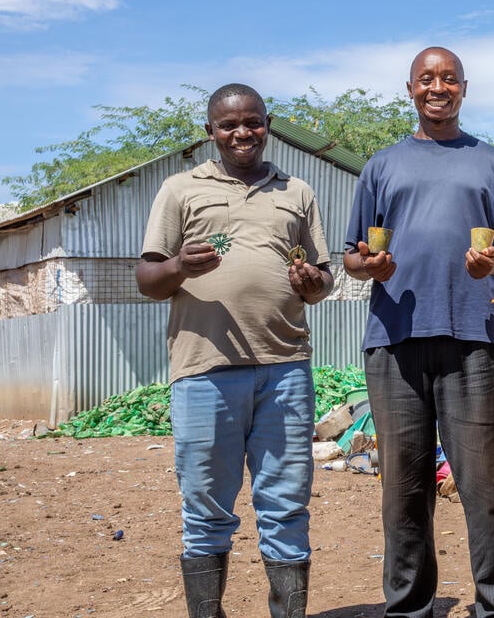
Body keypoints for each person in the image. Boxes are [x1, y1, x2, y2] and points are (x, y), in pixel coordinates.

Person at [136, 83, 334, 618]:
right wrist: (180, 266)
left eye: (252, 122)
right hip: (204, 372)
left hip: (285, 369)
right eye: (229, 125)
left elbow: (323, 280)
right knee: (204, 507)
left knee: (287, 505)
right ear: (211, 132)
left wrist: (312, 281)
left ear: (267, 125)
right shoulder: (180, 190)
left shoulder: (296, 191)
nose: (242, 133)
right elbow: (148, 279)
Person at [344, 47, 494, 618]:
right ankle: (408, 607)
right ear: (410, 89)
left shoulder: (492, 163)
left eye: (449, 78)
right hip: (394, 339)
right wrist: (367, 267)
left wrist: (489, 267)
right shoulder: (382, 165)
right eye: (427, 79)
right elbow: (352, 256)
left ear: (464, 88)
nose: (438, 87)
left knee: (485, 485)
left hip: (475, 335)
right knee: (403, 489)